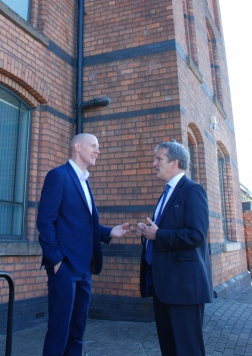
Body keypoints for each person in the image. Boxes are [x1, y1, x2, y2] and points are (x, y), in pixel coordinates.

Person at [37, 133, 129, 356]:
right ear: (78, 147)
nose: (98, 150)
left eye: (98, 147)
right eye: (93, 146)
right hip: (65, 267)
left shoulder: (84, 181)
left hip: (85, 267)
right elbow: (45, 221)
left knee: (77, 331)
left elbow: (81, 223)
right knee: (59, 330)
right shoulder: (58, 176)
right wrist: (56, 260)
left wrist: (110, 232)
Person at [135, 140, 213, 356]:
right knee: (169, 349)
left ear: (175, 163)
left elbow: (197, 235)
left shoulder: (193, 190)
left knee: (188, 350)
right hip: (164, 286)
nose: (154, 163)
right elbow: (163, 232)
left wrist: (158, 234)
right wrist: (148, 233)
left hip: (184, 288)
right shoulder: (166, 192)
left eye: (158, 159)